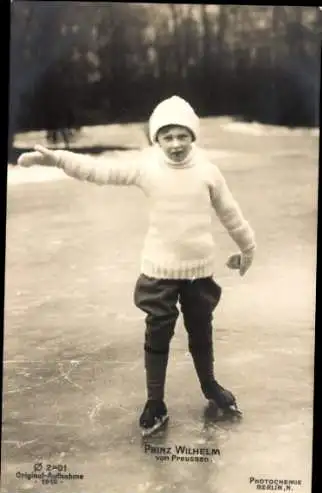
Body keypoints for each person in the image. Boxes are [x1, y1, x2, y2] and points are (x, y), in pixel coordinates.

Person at [17, 95, 256, 436]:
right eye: (167, 136)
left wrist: (248, 249)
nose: (175, 144)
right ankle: (154, 401)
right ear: (156, 139)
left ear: (193, 136)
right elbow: (100, 171)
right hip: (159, 271)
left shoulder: (208, 172)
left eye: (182, 135)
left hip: (199, 272)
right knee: (158, 333)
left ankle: (210, 386)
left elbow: (231, 214)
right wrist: (58, 159)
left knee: (201, 332)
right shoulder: (147, 167)